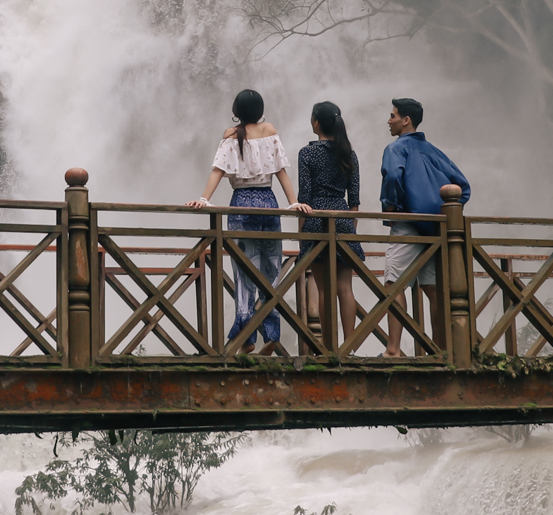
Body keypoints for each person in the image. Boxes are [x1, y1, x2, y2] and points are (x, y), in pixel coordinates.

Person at [189, 89, 308, 354]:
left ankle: (246, 337)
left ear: (237, 110)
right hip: (268, 204)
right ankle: (272, 332)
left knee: (244, 272)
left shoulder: (231, 135)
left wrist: (203, 199)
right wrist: (293, 203)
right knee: (271, 268)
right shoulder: (269, 130)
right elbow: (281, 172)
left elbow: (218, 171)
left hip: (241, 204)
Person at [378, 97, 470, 358]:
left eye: (393, 116)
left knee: (393, 284)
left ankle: (393, 349)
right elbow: (463, 187)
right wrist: (444, 212)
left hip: (407, 225)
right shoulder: (433, 151)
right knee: (433, 289)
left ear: (406, 120)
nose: (389, 120)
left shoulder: (395, 149)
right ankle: (442, 349)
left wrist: (392, 207)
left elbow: (394, 176)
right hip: (435, 228)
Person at [296, 101, 364, 349]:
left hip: (315, 221)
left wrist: (302, 235)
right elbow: (354, 201)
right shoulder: (349, 153)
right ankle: (351, 347)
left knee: (324, 289)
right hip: (343, 220)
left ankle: (328, 348)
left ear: (316, 123)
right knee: (345, 287)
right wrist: (351, 231)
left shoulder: (307, 153)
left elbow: (304, 199)